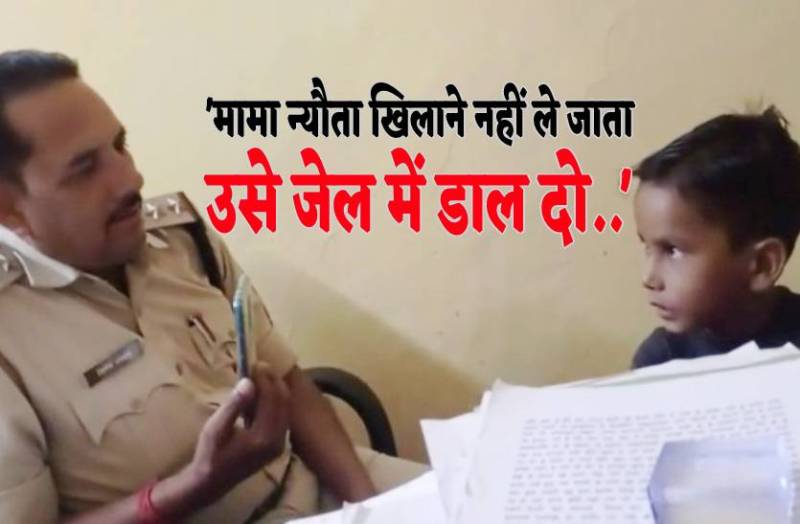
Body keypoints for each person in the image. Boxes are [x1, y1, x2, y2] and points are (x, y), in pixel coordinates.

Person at [0, 49, 425, 524]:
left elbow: (287, 378)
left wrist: (370, 507)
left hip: (317, 487)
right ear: (8, 209)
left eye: (120, 146)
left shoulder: (181, 239)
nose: (130, 179)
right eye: (84, 169)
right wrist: (193, 487)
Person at [631, 105, 800, 369]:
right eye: (647, 247)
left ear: (762, 264)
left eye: (673, 250)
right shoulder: (661, 360)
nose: (649, 278)